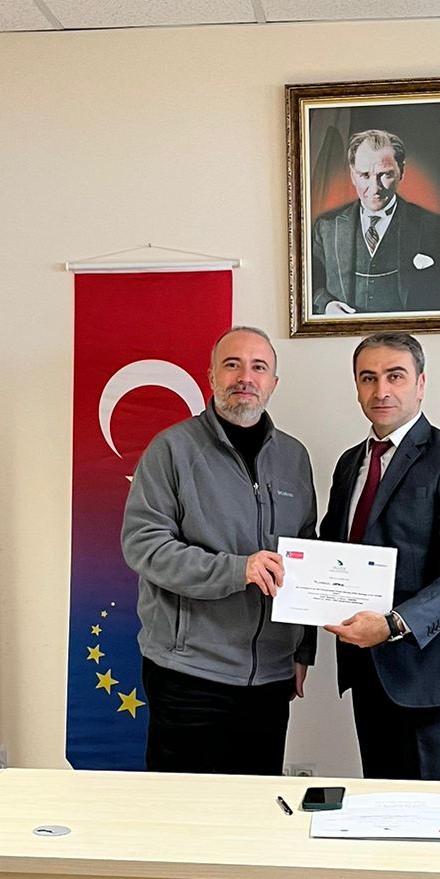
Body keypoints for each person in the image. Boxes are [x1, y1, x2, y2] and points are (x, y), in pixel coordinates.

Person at [121, 326, 316, 774]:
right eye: (232, 365)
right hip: (189, 675)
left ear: (273, 383)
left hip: (270, 679)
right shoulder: (171, 449)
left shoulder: (294, 458)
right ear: (211, 376)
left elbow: (307, 554)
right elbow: (144, 545)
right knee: (183, 810)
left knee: (255, 807)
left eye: (258, 367)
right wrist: (237, 570)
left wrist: (303, 649)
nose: (245, 377)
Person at [320, 331, 440, 780]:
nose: (381, 390)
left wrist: (393, 625)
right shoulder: (349, 464)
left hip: (433, 678)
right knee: (380, 808)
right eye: (368, 378)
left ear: (420, 384)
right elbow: (332, 553)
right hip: (367, 672)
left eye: (395, 376)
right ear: (357, 387)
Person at [311, 128, 440, 317]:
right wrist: (327, 305)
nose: (375, 188)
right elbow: (310, 285)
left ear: (401, 171)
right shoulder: (326, 226)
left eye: (385, 174)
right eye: (364, 175)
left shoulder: (434, 227)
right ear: (352, 175)